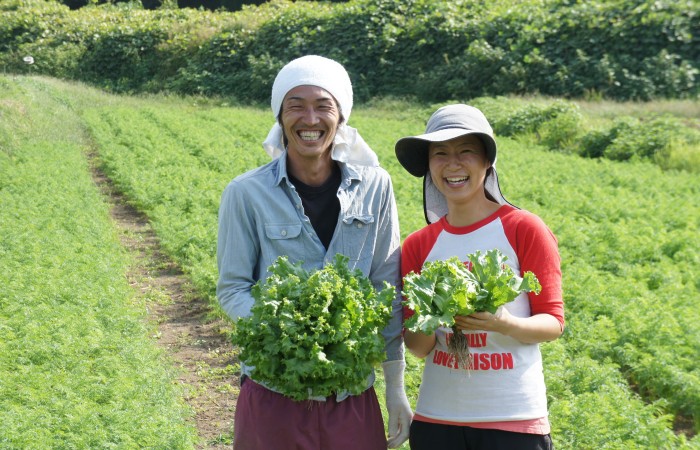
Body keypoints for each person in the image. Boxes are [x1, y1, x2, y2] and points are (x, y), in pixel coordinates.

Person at [216, 55, 412, 450]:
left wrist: (396, 389)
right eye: (296, 106)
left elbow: (385, 287)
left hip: (351, 393)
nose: (310, 119)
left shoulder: (376, 186)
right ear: (280, 117)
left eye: (323, 106)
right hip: (274, 390)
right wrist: (289, 329)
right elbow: (233, 288)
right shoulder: (246, 192)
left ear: (340, 117)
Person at [394, 104, 565, 450]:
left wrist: (503, 323)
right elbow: (417, 347)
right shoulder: (418, 245)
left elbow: (553, 322)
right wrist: (434, 314)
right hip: (436, 420)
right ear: (429, 166)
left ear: (487, 162)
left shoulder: (523, 228)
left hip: (513, 421)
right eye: (440, 153)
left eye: (466, 152)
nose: (453, 164)